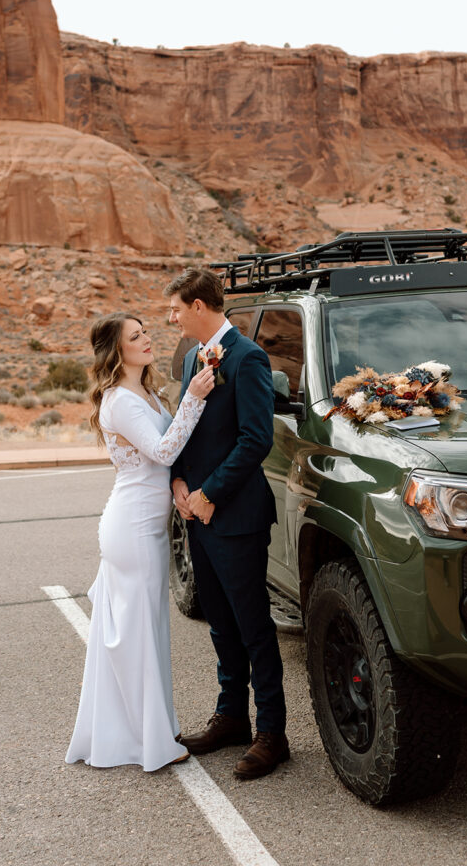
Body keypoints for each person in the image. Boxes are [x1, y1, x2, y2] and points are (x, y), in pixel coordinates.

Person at [65, 311, 215, 772]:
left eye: (145, 331)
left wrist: (176, 485)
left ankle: (146, 730)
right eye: (136, 336)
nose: (147, 339)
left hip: (147, 522)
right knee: (138, 635)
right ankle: (147, 742)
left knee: (143, 631)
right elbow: (164, 449)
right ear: (117, 350)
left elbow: (163, 462)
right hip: (131, 527)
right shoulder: (120, 401)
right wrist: (193, 397)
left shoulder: (145, 391)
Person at [166, 267, 289, 780]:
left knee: (253, 624)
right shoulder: (196, 357)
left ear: (198, 306)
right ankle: (232, 716)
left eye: (175, 307)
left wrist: (211, 492)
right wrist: (178, 482)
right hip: (196, 513)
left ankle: (272, 733)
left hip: (234, 515)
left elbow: (256, 439)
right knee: (219, 620)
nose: (170, 317)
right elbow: (184, 427)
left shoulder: (248, 357)